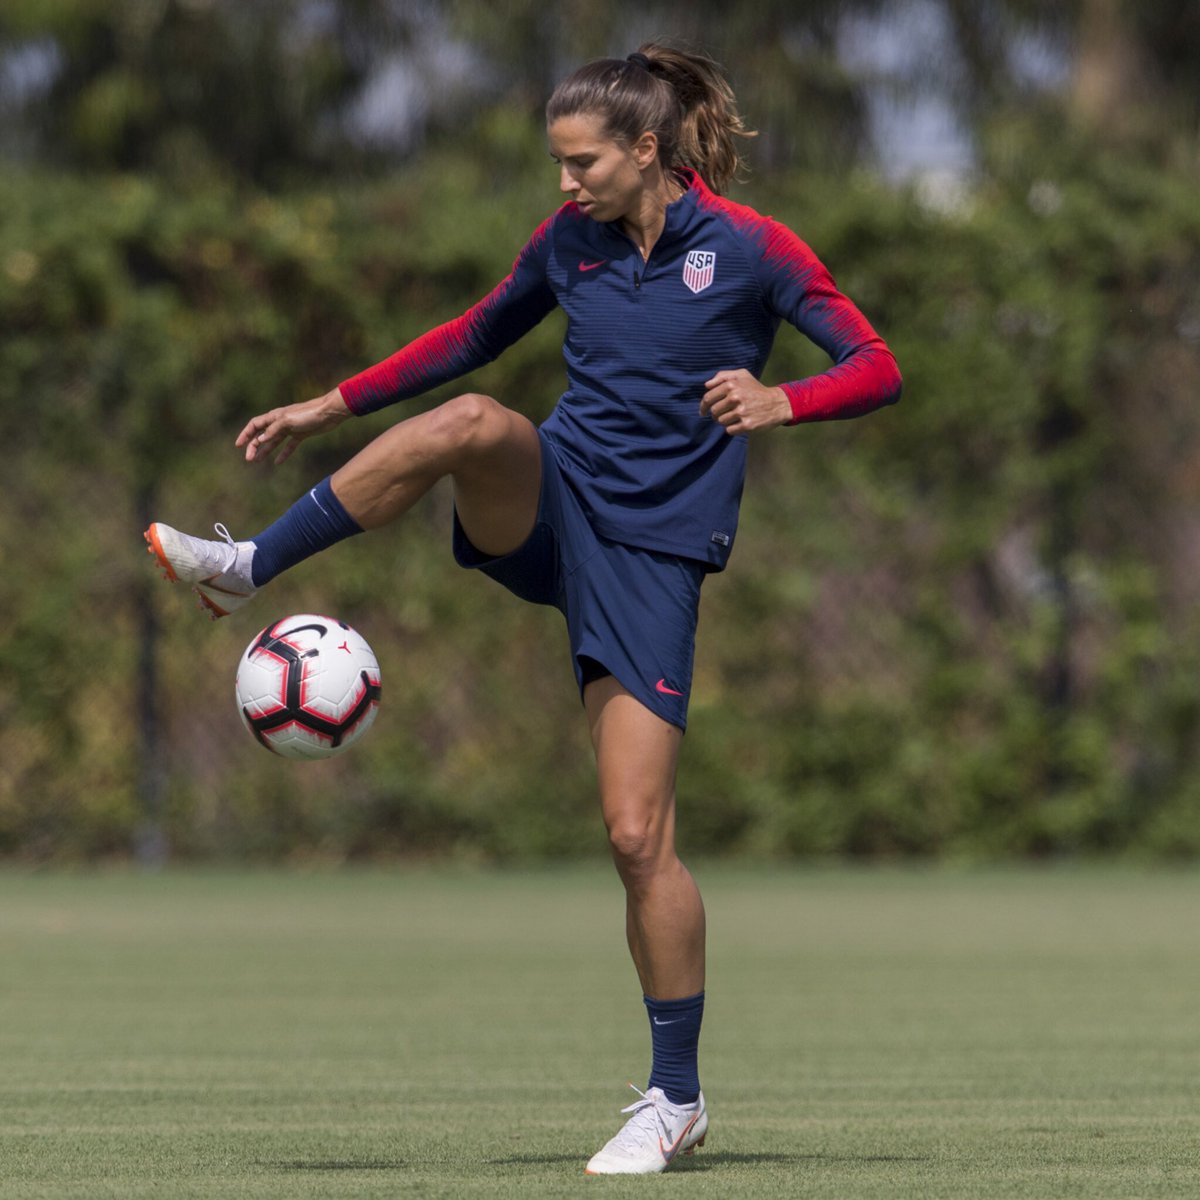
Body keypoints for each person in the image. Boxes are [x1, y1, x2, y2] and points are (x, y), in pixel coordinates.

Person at [145, 44, 901, 1175]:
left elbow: (878, 364)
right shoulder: (569, 247)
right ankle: (248, 566)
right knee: (476, 423)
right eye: (557, 164)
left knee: (637, 837)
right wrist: (324, 403)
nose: (565, 185)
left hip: (653, 556)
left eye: (582, 162)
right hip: (557, 501)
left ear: (646, 149)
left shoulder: (750, 249)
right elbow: (469, 336)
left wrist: (784, 397)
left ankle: (675, 1101)